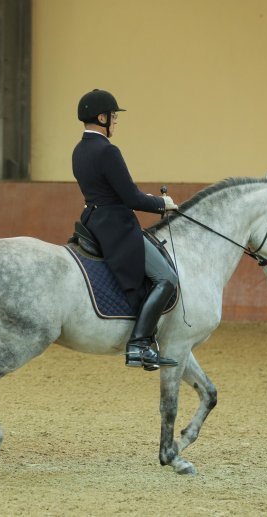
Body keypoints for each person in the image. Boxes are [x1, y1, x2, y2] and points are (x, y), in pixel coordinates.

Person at [72, 89, 179, 370]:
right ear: (102, 117)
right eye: (114, 117)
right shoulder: (107, 150)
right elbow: (131, 198)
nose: (116, 122)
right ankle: (139, 344)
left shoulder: (79, 149)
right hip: (116, 227)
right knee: (167, 278)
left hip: (92, 221)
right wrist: (163, 203)